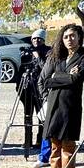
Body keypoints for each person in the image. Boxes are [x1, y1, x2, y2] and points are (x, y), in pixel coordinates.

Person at [39, 24, 84, 168]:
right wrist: (66, 76)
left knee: (68, 147)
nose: (69, 40)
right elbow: (45, 80)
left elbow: (76, 79)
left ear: (79, 37)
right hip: (54, 105)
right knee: (55, 146)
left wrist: (59, 77)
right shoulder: (58, 56)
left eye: (72, 36)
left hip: (70, 107)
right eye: (66, 37)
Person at [19, 28, 50, 159]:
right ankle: (27, 141)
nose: (36, 41)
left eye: (39, 39)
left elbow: (46, 69)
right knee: (27, 115)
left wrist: (38, 57)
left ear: (43, 40)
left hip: (40, 89)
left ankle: (40, 141)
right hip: (28, 89)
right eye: (34, 39)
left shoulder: (48, 52)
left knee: (42, 116)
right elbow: (22, 69)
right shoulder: (29, 50)